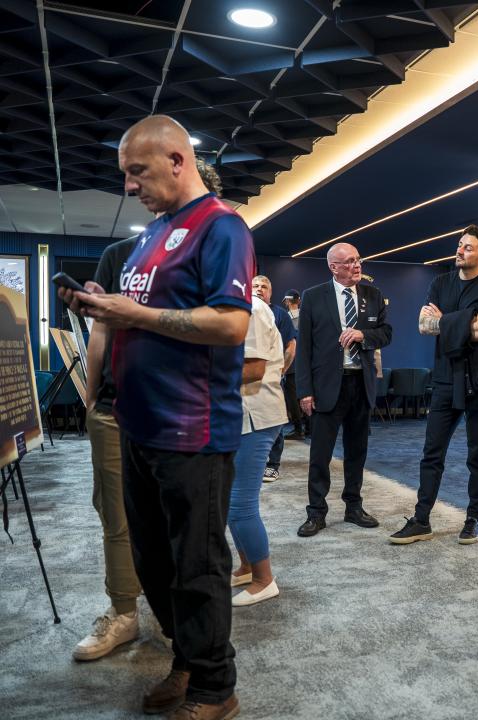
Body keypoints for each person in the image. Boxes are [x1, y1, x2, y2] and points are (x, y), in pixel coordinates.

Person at [60, 114, 254, 718]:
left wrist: (133, 315)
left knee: (197, 565)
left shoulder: (221, 228)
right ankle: (187, 660)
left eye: (137, 171)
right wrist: (100, 309)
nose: (129, 185)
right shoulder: (150, 237)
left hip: (192, 430)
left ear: (177, 160)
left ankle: (215, 688)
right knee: (155, 561)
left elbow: (231, 324)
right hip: (139, 426)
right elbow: (132, 313)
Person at [390, 226, 478, 545]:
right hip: (444, 377)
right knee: (432, 452)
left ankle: (473, 519)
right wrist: (465, 318)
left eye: (468, 248)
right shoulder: (440, 282)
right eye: (459, 245)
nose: (460, 250)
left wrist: (446, 320)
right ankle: (421, 519)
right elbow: (424, 326)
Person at [73, 233, 141, 662]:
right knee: (115, 514)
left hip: (177, 410)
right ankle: (123, 612)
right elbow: (101, 328)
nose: (135, 186)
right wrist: (93, 398)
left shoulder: (205, 247)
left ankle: (177, 616)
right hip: (115, 408)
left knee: (176, 518)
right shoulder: (118, 255)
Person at [295, 242, 392, 537]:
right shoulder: (313, 297)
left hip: (360, 384)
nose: (356, 266)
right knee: (320, 454)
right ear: (333, 267)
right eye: (349, 262)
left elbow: (386, 333)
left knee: (356, 451)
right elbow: (304, 350)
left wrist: (363, 334)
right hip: (325, 386)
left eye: (358, 260)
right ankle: (316, 512)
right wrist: (304, 391)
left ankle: (353, 506)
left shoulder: (373, 295)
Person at [229, 295, 287, 607]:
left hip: (255, 415)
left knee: (240, 505)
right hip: (237, 415)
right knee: (230, 503)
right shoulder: (227, 303)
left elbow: (253, 370)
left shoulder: (249, 307)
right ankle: (247, 567)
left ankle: (264, 580)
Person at [255, 275, 297, 483]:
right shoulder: (240, 311)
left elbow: (291, 345)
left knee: (274, 422)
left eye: (264, 286)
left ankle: (272, 465)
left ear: (270, 293)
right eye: (255, 285)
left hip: (271, 378)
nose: (259, 289)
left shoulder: (279, 314)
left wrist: (281, 371)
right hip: (245, 380)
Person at [281, 289, 307, 438]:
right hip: (305, 362)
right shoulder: (306, 316)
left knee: (292, 397)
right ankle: (309, 428)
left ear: (286, 301)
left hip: (291, 361)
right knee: (305, 395)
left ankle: (298, 430)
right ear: (299, 301)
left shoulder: (284, 318)